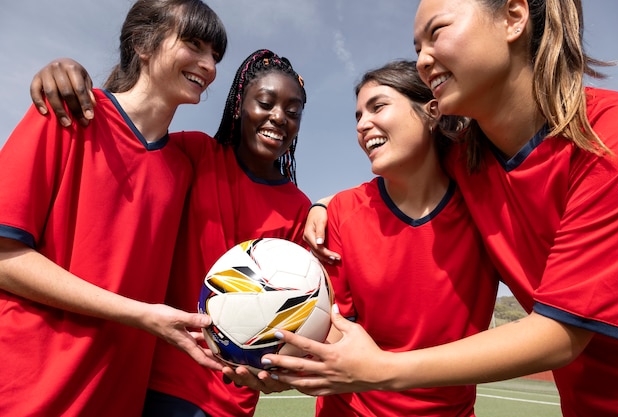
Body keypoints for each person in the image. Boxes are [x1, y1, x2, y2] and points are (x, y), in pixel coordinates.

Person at [257, 1, 618, 416]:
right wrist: (324, 206)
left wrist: (381, 369)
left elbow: (561, 334)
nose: (423, 60)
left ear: (514, 17)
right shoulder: (470, 157)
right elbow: (403, 174)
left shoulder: (610, 139)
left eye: (437, 33)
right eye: (417, 47)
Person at [29, 49, 311, 417]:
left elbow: (299, 307)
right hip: (152, 371)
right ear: (240, 105)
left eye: (293, 112)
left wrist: (281, 367)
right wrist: (65, 72)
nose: (278, 117)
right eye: (266, 103)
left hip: (229, 394)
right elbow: (127, 143)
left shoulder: (299, 208)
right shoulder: (193, 152)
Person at [0, 0, 228, 416]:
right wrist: (142, 315)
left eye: (215, 54)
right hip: (26, 393)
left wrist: (322, 208)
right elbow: (4, 257)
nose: (208, 64)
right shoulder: (66, 114)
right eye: (194, 44)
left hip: (116, 398)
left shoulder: (182, 167)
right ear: (143, 43)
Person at [317, 60, 499, 416]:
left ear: (432, 111)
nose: (362, 124)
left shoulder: (483, 202)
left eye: (378, 106)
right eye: (357, 116)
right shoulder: (341, 211)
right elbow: (337, 325)